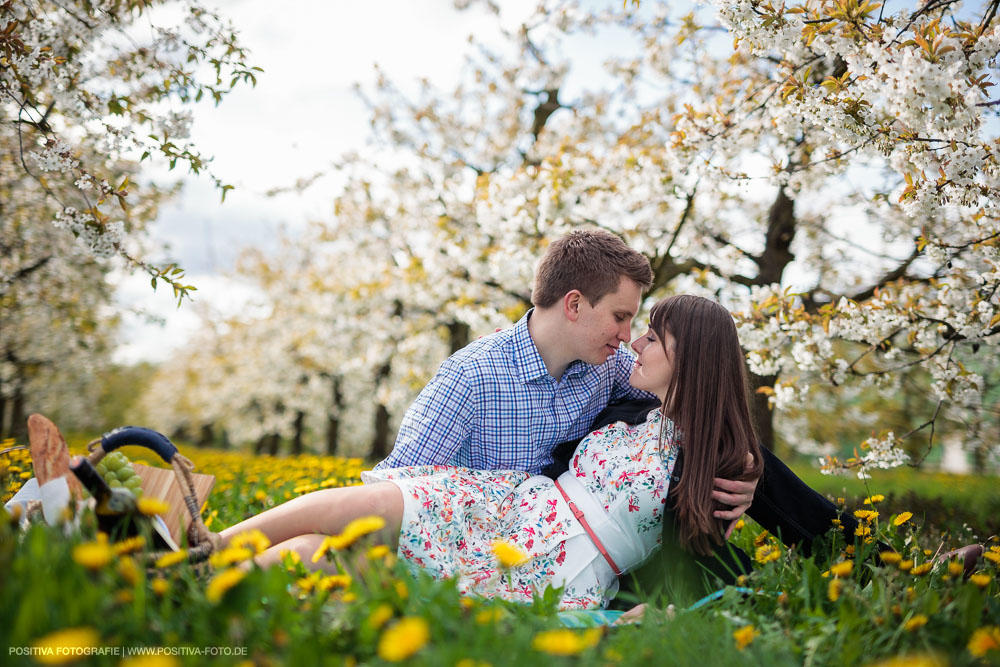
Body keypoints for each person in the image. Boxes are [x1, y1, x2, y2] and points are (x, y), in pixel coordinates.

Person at [219, 294, 761, 611]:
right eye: (627, 324)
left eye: (649, 336)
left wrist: (755, 479)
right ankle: (203, 554)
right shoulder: (632, 405)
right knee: (353, 512)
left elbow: (713, 562)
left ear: (690, 357)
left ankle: (206, 594)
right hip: (506, 508)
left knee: (327, 555)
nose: (631, 342)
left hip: (555, 566)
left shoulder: (718, 456)